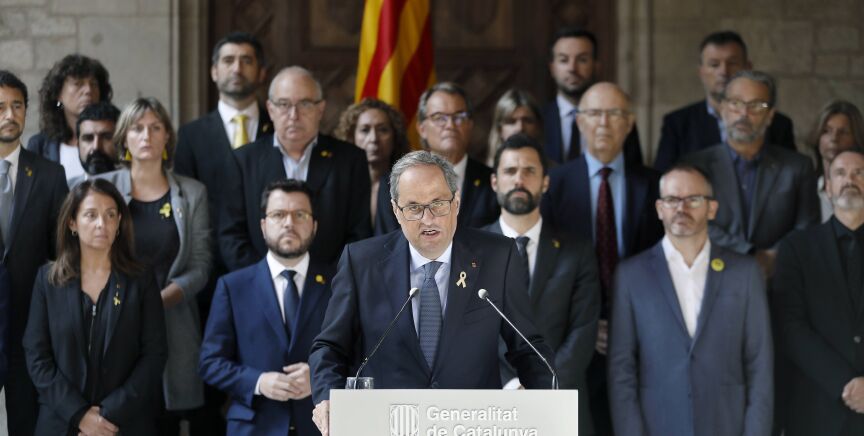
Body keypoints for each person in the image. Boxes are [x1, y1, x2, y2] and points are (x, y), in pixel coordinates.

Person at [309, 151, 554, 436]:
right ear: (396, 210)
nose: (428, 219)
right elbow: (329, 347)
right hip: (388, 425)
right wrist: (326, 397)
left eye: (438, 204)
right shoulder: (361, 262)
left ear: (456, 203)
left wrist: (544, 404)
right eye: (414, 207)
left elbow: (528, 346)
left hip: (473, 425)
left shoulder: (497, 256)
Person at [608, 163, 773, 436]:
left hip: (727, 426)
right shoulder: (630, 276)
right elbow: (621, 370)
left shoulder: (745, 272)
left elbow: (760, 365)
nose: (681, 208)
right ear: (659, 208)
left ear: (712, 208)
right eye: (672, 200)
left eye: (693, 199)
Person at [541, 81, 663, 436]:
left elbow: (660, 265)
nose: (604, 123)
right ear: (579, 121)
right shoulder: (554, 186)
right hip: (573, 339)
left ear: (630, 122)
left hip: (641, 339)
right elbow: (550, 269)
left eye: (614, 114)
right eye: (594, 113)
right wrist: (588, 325)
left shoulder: (656, 186)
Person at [98, 97, 212, 434]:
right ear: (124, 138)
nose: (146, 135)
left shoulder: (192, 193)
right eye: (137, 128)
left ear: (167, 137)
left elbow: (201, 265)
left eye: (155, 127)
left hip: (172, 322)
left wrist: (154, 303)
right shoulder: (101, 189)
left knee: (165, 421)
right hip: (112, 322)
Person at [22, 179, 167, 435]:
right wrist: (79, 415)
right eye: (91, 215)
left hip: (124, 423)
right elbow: (37, 356)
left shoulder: (141, 280)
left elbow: (154, 355)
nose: (102, 223)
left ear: (119, 222)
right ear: (72, 223)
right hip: (61, 422)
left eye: (110, 215)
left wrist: (105, 418)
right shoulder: (48, 281)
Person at [484, 134, 600, 435]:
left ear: (545, 182)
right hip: (492, 407)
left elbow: (583, 330)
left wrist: (542, 387)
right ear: (495, 181)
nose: (519, 179)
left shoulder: (578, 251)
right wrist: (512, 386)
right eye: (510, 171)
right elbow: (466, 332)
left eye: (529, 171)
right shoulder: (470, 252)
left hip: (562, 406)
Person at [200, 179, 333, 436]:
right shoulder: (233, 286)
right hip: (254, 426)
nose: (289, 223)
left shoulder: (339, 283)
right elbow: (210, 363)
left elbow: (360, 355)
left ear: (314, 226)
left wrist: (320, 379)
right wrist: (258, 382)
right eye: (278, 214)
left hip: (322, 426)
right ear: (263, 226)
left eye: (300, 215)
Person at [220, 66, 371, 270]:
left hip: (332, 283)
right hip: (261, 285)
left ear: (320, 109)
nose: (294, 115)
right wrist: (267, 282)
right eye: (284, 104)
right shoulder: (242, 161)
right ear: (270, 109)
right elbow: (231, 237)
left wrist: (328, 283)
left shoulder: (350, 160)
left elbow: (359, 236)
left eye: (305, 104)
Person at [683, 70, 819, 278]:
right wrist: (751, 255)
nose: (744, 113)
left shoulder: (798, 167)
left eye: (756, 105)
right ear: (722, 109)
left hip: (777, 280)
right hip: (713, 279)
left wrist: (774, 258)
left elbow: (806, 227)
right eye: (736, 103)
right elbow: (693, 221)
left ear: (770, 115)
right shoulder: (695, 166)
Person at [773, 150, 864, 435]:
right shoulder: (796, 248)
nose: (849, 180)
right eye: (840, 173)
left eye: (859, 173)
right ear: (827, 187)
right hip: (817, 409)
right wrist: (844, 382)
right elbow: (789, 326)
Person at [0, 70, 69, 434]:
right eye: (0, 107)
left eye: (17, 106)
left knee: (26, 424)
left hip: (30, 327)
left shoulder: (50, 175)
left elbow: (61, 255)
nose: (10, 115)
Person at [655, 31, 797, 171]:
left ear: (748, 67)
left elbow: (791, 173)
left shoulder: (778, 125)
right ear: (701, 71)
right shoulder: (678, 124)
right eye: (714, 64)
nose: (723, 71)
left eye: (732, 63)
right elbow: (664, 178)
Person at [374, 82, 500, 235]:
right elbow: (388, 243)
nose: (450, 125)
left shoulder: (493, 181)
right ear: (422, 128)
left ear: (470, 125)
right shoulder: (394, 182)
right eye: (439, 117)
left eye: (459, 117)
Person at [543, 27, 643, 166]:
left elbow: (634, 170)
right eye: (564, 60)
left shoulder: (619, 118)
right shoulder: (538, 120)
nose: (572, 68)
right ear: (552, 68)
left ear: (596, 66)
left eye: (582, 60)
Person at [27, 54, 113, 182]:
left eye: (94, 84)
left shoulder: (118, 137)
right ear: (58, 94)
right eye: (78, 84)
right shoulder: (40, 145)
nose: (88, 90)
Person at [333, 98, 410, 223]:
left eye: (382, 130)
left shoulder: (408, 185)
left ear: (395, 136)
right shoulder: (338, 186)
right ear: (351, 136)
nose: (374, 139)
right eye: (365, 130)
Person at [806, 100, 864, 221]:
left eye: (843, 132)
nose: (834, 138)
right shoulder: (806, 187)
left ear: (856, 138)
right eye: (826, 131)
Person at [485, 88, 543, 167]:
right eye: (511, 122)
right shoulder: (484, 173)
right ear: (499, 129)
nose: (520, 128)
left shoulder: (555, 172)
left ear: (538, 126)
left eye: (527, 120)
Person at [68, 101, 121, 187]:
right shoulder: (66, 190)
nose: (96, 147)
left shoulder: (138, 186)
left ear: (122, 142)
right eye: (88, 138)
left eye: (106, 137)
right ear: (78, 145)